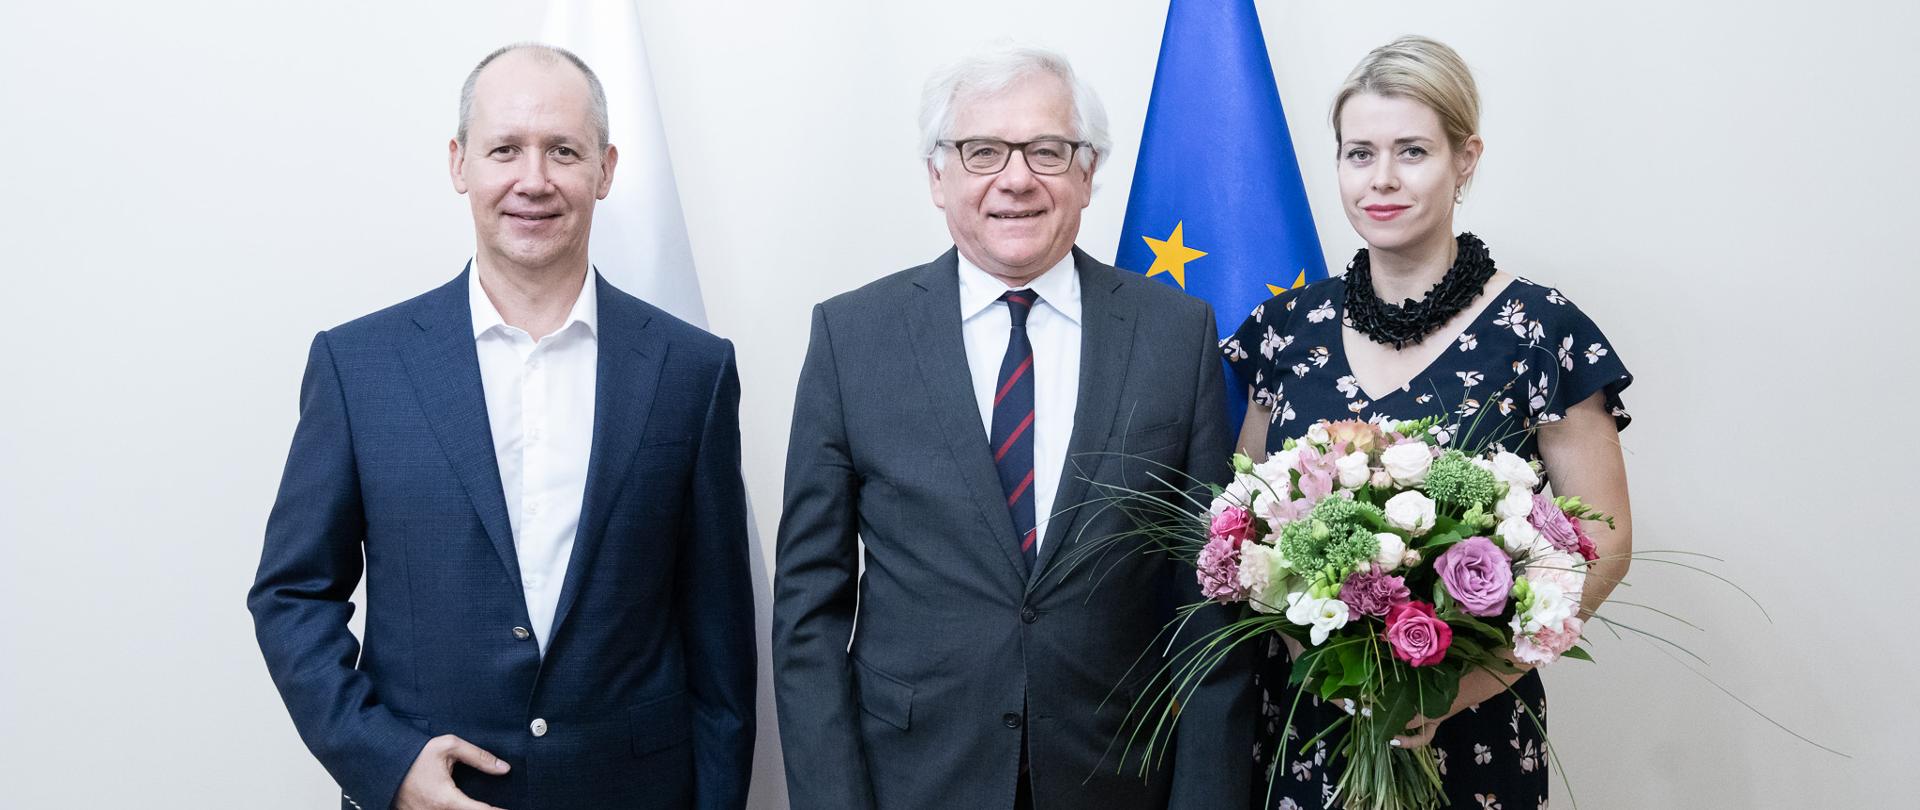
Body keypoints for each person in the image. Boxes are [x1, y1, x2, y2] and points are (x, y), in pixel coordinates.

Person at [247, 44, 755, 810]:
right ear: (459, 164)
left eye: (563, 151)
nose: (534, 180)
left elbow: (721, 647)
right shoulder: (359, 366)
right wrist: (385, 764)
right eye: (504, 149)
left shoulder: (692, 371)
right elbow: (292, 595)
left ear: (606, 170)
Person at [772, 44, 1253, 810]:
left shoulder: (1176, 334)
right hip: (914, 778)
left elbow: (1209, 603)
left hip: (1118, 776)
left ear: (1088, 173)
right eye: (982, 151)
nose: (1016, 178)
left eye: (1048, 151)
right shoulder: (851, 337)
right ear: (939, 176)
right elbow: (809, 611)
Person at [1222, 36, 1634, 809]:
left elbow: (1604, 544)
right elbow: (1246, 528)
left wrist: (1459, 688)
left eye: (1411, 151)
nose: (1381, 179)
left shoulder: (1540, 332)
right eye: (1358, 154)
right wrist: (1306, 646)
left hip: (1471, 733)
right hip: (1306, 726)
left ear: (1465, 158)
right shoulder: (1287, 327)